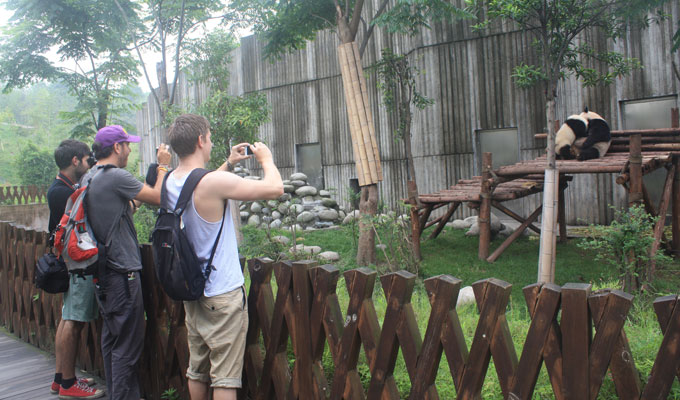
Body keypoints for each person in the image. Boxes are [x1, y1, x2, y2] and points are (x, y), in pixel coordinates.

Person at [164, 114, 283, 400]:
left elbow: (198, 185)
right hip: (222, 294)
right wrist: (266, 159)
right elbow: (275, 188)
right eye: (210, 136)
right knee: (225, 379)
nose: (211, 141)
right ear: (200, 140)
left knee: (198, 370)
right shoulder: (213, 182)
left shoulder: (169, 180)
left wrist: (228, 163)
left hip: (191, 291)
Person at [82, 125, 171, 400]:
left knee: (112, 340)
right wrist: (164, 168)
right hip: (121, 272)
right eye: (127, 145)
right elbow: (158, 198)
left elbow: (130, 206)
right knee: (128, 345)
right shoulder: (114, 175)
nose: (130, 150)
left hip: (103, 271)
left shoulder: (90, 176)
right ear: (117, 147)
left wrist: (151, 174)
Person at [47, 139, 105, 399]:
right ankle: (69, 383)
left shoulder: (60, 187)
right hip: (76, 264)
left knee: (67, 318)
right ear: (75, 161)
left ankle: (61, 378)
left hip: (67, 262)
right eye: (86, 159)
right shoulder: (63, 192)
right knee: (74, 321)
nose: (88, 163)